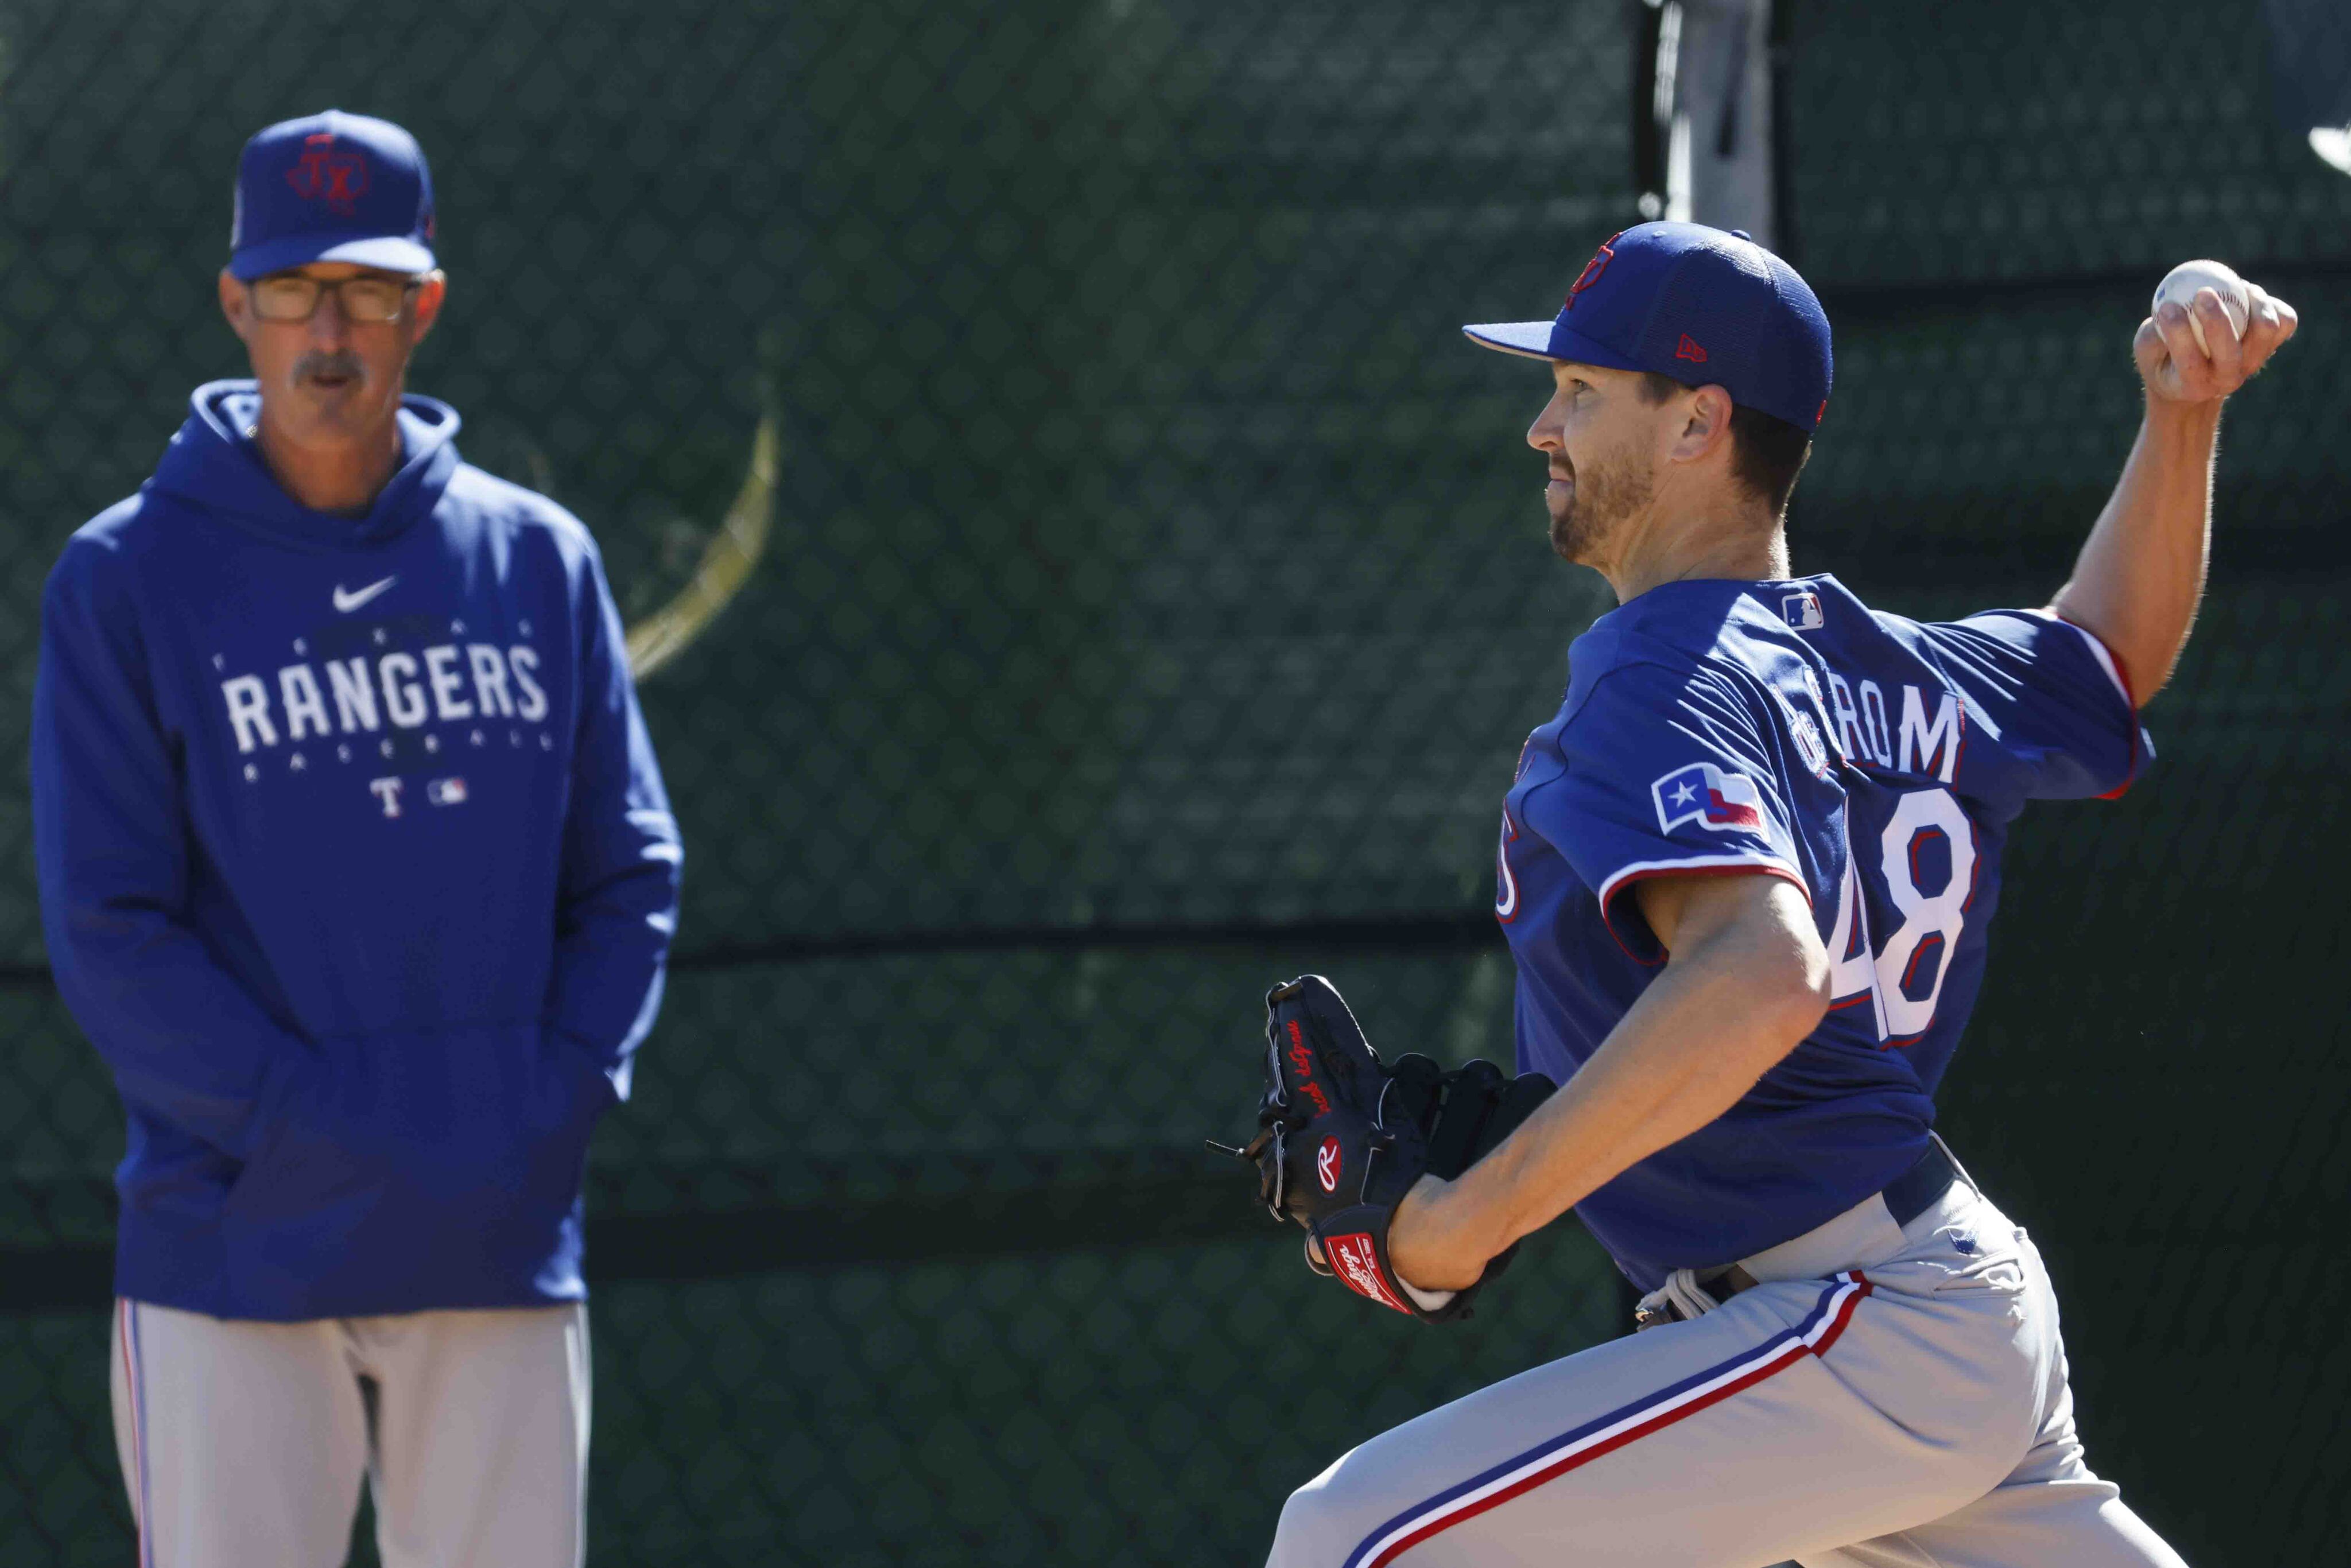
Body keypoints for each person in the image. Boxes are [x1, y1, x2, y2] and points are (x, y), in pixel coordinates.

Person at [1264, 222, 2294, 1566]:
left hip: (1853, 1317)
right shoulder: (1881, 667)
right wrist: (2181, 413)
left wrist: (1459, 1224)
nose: (1540, 427)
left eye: (1580, 391)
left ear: (1696, 423)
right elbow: (2105, 657)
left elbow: (1761, 971)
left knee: (1352, 1539)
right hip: (1907, 1313)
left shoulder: (1658, 674)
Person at [31, 108, 681, 1567]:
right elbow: (109, 924)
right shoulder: (125, 579)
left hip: (493, 1240)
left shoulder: (537, 560)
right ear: (235, 304)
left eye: (369, 291)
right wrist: (299, 1127)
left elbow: (630, 870)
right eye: (293, 290)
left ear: (423, 307)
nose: (329, 331)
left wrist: (543, 1104)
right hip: (233, 1251)